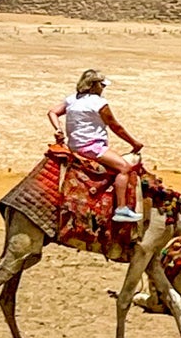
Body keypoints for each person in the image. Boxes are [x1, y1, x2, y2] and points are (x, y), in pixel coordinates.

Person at [47, 69, 145, 223]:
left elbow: (52, 112)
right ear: (93, 85)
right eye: (102, 85)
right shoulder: (98, 103)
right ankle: (121, 209)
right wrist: (134, 143)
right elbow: (115, 126)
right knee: (124, 168)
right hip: (92, 147)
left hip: (74, 146)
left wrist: (58, 129)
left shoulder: (73, 99)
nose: (103, 88)